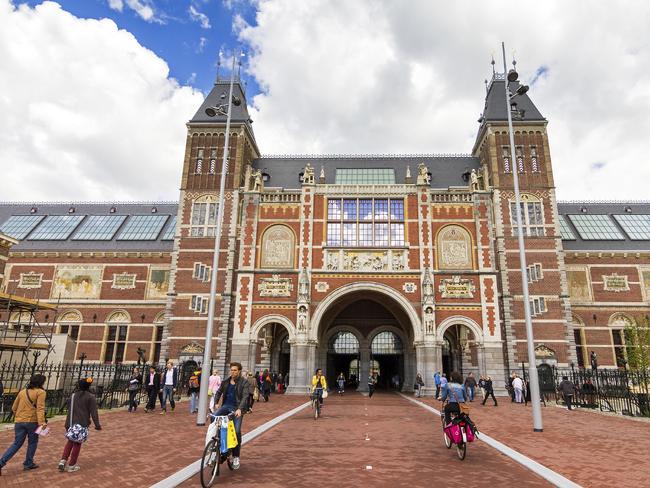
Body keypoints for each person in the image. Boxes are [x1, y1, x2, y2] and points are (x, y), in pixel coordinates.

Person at [0, 374, 47, 475]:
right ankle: (28, 463)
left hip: (19, 422)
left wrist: (20, 416)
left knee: (16, 444)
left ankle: (1, 462)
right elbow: (40, 409)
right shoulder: (41, 392)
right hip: (32, 422)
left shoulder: (22, 392)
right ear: (41, 382)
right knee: (32, 442)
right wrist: (42, 423)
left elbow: (13, 408)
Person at [58, 378, 102, 473]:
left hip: (70, 423)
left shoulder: (73, 395)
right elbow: (94, 412)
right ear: (88, 386)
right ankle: (72, 465)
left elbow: (67, 405)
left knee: (70, 442)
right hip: (81, 423)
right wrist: (97, 425)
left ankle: (63, 461)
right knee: (77, 444)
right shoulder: (90, 397)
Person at [212, 362, 250, 470]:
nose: (232, 372)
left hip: (237, 409)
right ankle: (216, 442)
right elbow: (218, 392)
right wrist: (216, 403)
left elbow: (245, 397)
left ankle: (236, 456)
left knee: (236, 431)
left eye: (235, 370)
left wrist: (239, 409)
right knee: (214, 417)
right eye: (231, 370)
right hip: (225, 406)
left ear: (239, 371)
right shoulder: (225, 382)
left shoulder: (244, 382)